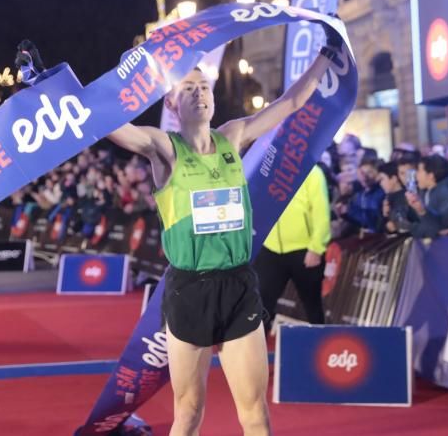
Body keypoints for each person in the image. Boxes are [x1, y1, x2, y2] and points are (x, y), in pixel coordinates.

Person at [105, 36, 340, 436]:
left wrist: (327, 55)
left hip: (238, 285)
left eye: (204, 88)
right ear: (171, 103)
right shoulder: (164, 147)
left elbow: (291, 103)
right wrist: (58, 87)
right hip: (190, 289)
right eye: (188, 89)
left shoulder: (232, 135)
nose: (199, 94)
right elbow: (109, 125)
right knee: (189, 412)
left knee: (255, 414)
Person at [254, 164, 331, 333]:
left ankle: (320, 345)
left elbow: (322, 213)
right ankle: (258, 351)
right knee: (261, 304)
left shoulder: (313, 173)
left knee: (312, 304)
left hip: (304, 250)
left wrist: (316, 248)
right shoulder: (266, 171)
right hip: (269, 248)